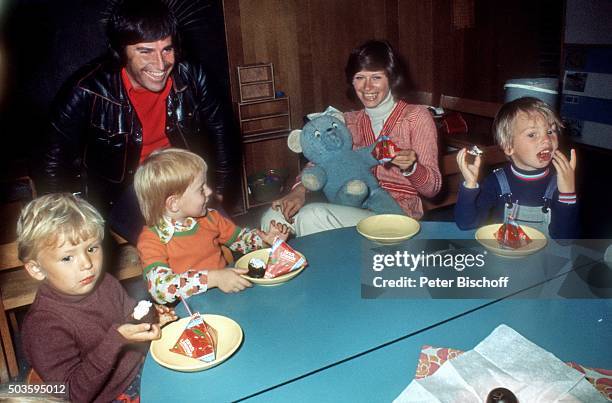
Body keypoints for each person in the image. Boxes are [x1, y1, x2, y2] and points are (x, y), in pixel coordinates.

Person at [39, 0, 237, 244]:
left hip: (183, 178)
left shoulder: (193, 76)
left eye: (167, 49)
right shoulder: (86, 91)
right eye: (145, 51)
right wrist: (62, 221)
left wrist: (219, 191)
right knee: (182, 245)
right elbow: (51, 163)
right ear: (120, 51)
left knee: (227, 235)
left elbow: (222, 132)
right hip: (123, 193)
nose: (160, 64)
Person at [261, 40, 441, 236]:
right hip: (351, 205)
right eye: (360, 77)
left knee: (312, 216)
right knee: (272, 217)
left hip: (397, 215)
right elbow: (318, 163)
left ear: (391, 78)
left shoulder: (416, 117)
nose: (367, 87)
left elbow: (432, 188)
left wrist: (411, 168)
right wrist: (299, 190)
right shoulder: (347, 121)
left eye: (376, 77)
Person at [17, 193, 177, 402]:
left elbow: (129, 316)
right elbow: (72, 394)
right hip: (108, 396)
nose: (87, 264)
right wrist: (117, 339)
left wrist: (151, 318)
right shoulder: (43, 326)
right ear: (37, 269)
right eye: (67, 257)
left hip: (140, 367)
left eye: (92, 248)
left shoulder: (105, 282)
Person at [134, 148, 289, 304]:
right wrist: (214, 278)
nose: (209, 191)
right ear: (174, 203)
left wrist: (264, 240)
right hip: (190, 311)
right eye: (201, 189)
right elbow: (160, 289)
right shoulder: (151, 239)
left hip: (227, 293)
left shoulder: (210, 217)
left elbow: (240, 240)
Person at [454, 97, 579, 239]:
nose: (546, 139)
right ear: (509, 147)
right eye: (532, 134)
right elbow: (466, 224)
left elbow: (565, 240)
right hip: (503, 256)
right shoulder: (496, 182)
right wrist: (469, 186)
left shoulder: (560, 183)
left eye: (550, 131)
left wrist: (567, 193)